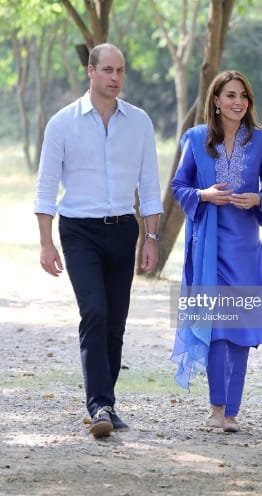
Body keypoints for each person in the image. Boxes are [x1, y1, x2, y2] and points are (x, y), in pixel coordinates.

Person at [34, 43, 163, 438]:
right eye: (107, 69)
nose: (115, 77)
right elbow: (46, 187)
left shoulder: (139, 122)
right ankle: (100, 405)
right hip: (79, 230)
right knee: (94, 312)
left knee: (116, 320)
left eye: (120, 70)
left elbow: (150, 186)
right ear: (90, 71)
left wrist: (151, 237)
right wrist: (46, 243)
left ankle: (107, 402)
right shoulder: (62, 123)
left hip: (123, 229)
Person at [170, 70, 262, 432]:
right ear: (216, 101)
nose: (238, 102)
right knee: (217, 328)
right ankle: (216, 409)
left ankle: (232, 412)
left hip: (244, 249)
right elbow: (179, 185)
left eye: (244, 96)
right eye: (231, 95)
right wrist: (203, 195)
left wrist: (257, 199)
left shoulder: (260, 141)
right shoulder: (196, 139)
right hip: (208, 248)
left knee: (240, 331)